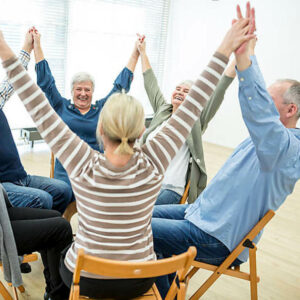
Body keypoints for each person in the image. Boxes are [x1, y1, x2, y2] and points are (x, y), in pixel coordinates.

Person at [0, 14, 253, 298]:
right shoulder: (155, 158)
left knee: (63, 251)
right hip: (139, 278)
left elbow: (35, 102)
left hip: (86, 277)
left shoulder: (81, 161)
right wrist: (227, 46)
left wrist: (4, 47)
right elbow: (196, 102)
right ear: (141, 130)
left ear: (100, 130)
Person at [151, 3, 300, 297]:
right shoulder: (270, 139)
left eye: (270, 102)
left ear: (290, 110)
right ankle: (165, 287)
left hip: (215, 238)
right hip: (199, 214)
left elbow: (259, 114)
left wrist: (245, 56)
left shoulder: (287, 149)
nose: (264, 109)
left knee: (135, 228)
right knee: (137, 213)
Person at [32, 28, 139, 193]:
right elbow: (46, 82)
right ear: (72, 91)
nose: (83, 94)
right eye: (79, 89)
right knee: (60, 192)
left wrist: (136, 53)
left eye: (87, 90)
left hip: (94, 170)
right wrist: (37, 45)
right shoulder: (61, 106)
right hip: (66, 171)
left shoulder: (101, 109)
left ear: (93, 92)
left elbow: (121, 87)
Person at [138, 35, 237, 205]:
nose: (180, 92)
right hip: (145, 182)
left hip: (169, 188)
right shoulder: (163, 111)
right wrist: (142, 52)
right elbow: (150, 82)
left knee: (132, 215)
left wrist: (238, 58)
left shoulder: (195, 120)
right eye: (178, 89)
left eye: (186, 92)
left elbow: (220, 88)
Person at [0, 29, 72, 214]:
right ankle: (39, 233)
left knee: (63, 190)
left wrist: (28, 46)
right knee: (43, 200)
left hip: (21, 177)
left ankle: (51, 229)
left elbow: (13, 80)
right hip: (3, 187)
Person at [0, 183, 73, 300]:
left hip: (2, 211)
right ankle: (58, 295)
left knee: (55, 216)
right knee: (61, 228)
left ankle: (52, 291)